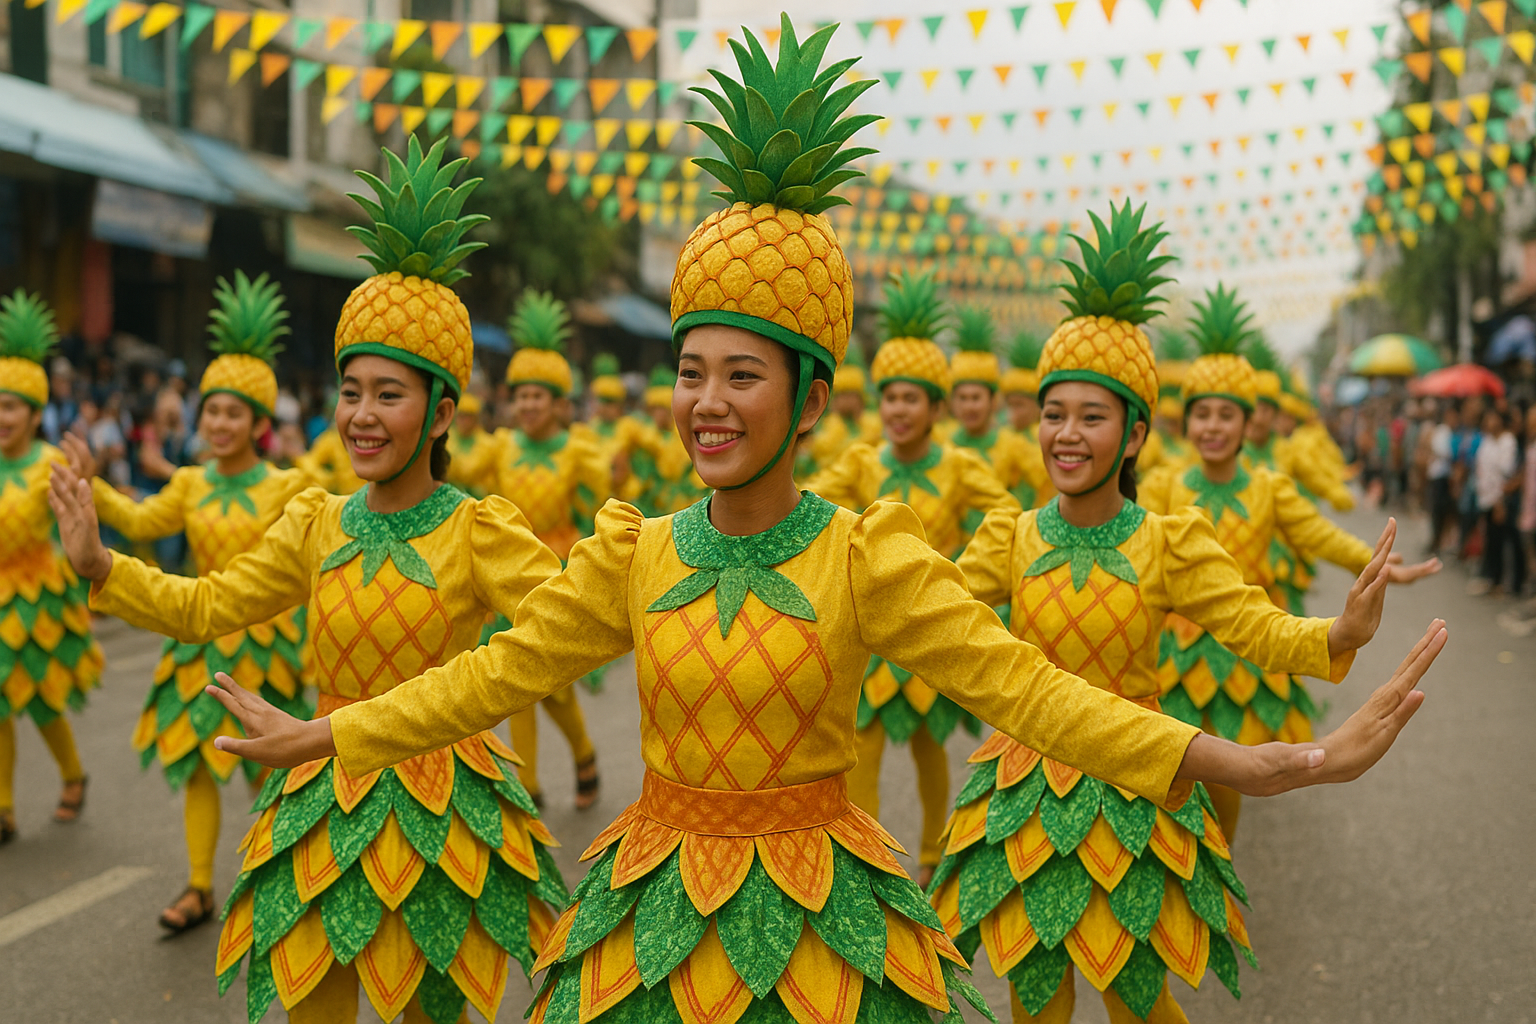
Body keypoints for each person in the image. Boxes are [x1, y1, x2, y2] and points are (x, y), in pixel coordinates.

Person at [110, 21, 1446, 1024]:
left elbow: (1034, 694)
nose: (705, 402)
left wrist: (1270, 760)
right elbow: (487, 677)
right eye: (692, 368)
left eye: (741, 373)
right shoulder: (635, 551)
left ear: (812, 396)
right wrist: (323, 732)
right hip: (654, 918)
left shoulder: (867, 557)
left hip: (824, 920)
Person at [51, 139, 569, 1024]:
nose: (363, 415)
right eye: (350, 390)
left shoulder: (479, 529)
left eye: (390, 395)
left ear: (443, 411)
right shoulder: (317, 522)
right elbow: (209, 605)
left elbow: (563, 629)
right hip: (319, 784)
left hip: (443, 804)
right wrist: (104, 565)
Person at [930, 202, 1408, 1024]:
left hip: (1136, 781)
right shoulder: (1009, 537)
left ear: (1135, 433)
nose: (1066, 435)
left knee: (1137, 1001)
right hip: (1023, 787)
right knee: (1033, 998)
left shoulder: (1166, 541)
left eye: (1092, 415)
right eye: (1054, 413)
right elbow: (931, 612)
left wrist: (1338, 632)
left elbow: (1253, 624)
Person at [62, 272, 315, 934]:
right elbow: (143, 522)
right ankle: (201, 886)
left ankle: (282, 878)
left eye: (235, 413)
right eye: (212, 411)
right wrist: (91, 490)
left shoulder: (292, 485)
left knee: (270, 770)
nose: (220, 423)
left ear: (260, 423)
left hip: (267, 642)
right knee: (200, 766)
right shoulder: (193, 481)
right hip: (197, 634)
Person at [1141, 284, 1440, 838]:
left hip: (1248, 637)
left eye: (1225, 414)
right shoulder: (1161, 484)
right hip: (1175, 648)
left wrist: (1374, 564)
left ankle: (1216, 867)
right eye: (1200, 413)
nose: (1211, 426)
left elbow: (1319, 534)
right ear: (1185, 421)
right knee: (1166, 768)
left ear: (1246, 422)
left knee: (1227, 777)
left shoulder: (1268, 487)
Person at [807, 269, 1019, 886]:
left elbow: (1006, 510)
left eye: (912, 398)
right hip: (871, 632)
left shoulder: (959, 464)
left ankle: (932, 853)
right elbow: (806, 506)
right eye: (890, 397)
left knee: (930, 750)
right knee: (863, 745)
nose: (898, 410)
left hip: (928, 626)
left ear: (937, 407)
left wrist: (960, 578)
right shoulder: (860, 461)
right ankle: (867, 861)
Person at [454, 289, 605, 809]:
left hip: (555, 568)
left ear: (560, 404)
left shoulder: (578, 448)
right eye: (519, 396)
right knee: (519, 677)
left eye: (537, 397)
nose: (526, 405)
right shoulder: (500, 446)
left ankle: (583, 753)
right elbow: (465, 474)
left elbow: (604, 495)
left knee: (557, 686)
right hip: (507, 569)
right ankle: (529, 785)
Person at [0, 289, 102, 844]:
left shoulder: (49, 464)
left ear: (35, 413)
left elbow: (82, 522)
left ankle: (71, 774)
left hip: (36, 594)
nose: (1, 416)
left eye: (10, 406)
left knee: (38, 701)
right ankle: (4, 810)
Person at [1470, 407, 1523, 597]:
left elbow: (1505, 474)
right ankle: (1491, 579)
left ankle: (1502, 582)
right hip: (1485, 498)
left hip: (1499, 500)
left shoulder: (1508, 442)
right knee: (1491, 540)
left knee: (1501, 541)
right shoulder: (1487, 441)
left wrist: (1500, 501)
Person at [1426, 401, 1459, 555]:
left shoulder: (1454, 433)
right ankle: (1435, 542)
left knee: (1444, 512)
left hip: (1446, 479)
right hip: (1438, 478)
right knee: (1437, 511)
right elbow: (1446, 453)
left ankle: (1440, 541)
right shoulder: (1442, 432)